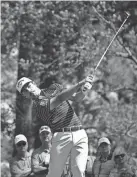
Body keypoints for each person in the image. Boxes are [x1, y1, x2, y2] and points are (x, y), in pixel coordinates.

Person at [16, 75, 94, 177]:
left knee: (79, 171)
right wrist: (80, 83)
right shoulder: (38, 106)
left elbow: (76, 98)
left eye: (28, 85)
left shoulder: (54, 87)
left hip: (80, 133)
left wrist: (84, 90)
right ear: (25, 95)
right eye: (25, 90)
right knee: (54, 174)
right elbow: (59, 99)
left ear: (33, 83)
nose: (28, 90)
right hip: (62, 137)